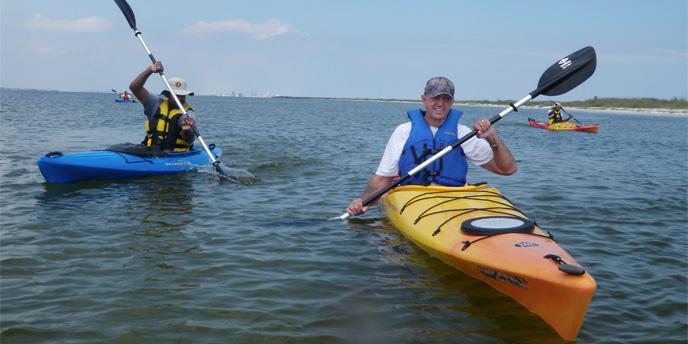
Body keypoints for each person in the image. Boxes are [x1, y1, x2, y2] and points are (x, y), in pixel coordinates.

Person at [346, 76, 517, 216]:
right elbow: (383, 178)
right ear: (424, 99)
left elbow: (507, 170)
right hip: (411, 197)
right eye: (435, 97)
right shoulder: (403, 131)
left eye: (446, 98)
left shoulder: (464, 133)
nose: (440, 103)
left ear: (452, 102)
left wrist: (493, 139)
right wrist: (363, 201)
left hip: (453, 197)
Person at [129, 61, 197, 152]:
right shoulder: (154, 103)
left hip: (176, 156)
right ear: (168, 94)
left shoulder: (188, 114)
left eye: (182, 95)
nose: (180, 99)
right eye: (176, 95)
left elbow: (189, 140)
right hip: (150, 152)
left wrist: (187, 130)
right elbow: (134, 88)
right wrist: (149, 70)